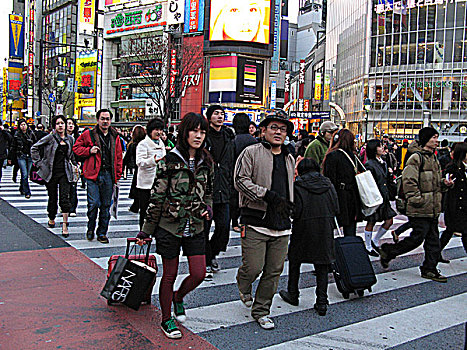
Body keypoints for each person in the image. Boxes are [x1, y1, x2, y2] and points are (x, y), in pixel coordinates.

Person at [137, 113, 213, 339]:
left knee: (199, 273)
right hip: (169, 226)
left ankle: (179, 297)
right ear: (184, 132)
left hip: (196, 225)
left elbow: (209, 192)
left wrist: (208, 209)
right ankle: (166, 318)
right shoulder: (169, 161)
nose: (198, 136)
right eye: (194, 131)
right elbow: (156, 197)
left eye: (202, 132)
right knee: (169, 274)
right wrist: (146, 231)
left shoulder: (206, 161)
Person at [234, 111, 295, 330]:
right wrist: (265, 195)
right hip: (256, 220)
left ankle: (261, 310)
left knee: (273, 270)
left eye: (283, 129)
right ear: (263, 130)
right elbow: (240, 181)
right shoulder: (251, 152)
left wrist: (292, 205)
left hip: (281, 224)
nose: (278, 132)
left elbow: (290, 187)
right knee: (253, 267)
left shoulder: (289, 156)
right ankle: (243, 282)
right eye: (274, 128)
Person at [375, 127, 453, 283]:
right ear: (426, 139)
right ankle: (389, 251)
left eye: (437, 137)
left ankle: (429, 268)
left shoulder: (434, 158)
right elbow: (409, 181)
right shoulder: (416, 158)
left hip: (432, 207)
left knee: (433, 240)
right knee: (417, 238)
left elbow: (434, 182)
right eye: (434, 137)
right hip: (420, 207)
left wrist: (444, 184)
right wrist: (417, 199)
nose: (436, 141)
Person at [279, 158, 339, 316]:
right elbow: (336, 207)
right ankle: (321, 301)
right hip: (325, 226)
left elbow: (295, 210)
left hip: (303, 226)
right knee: (322, 264)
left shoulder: (298, 185)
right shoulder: (328, 184)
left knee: (295, 259)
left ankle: (293, 292)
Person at [73, 109, 123, 244]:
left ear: (110, 121)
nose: (105, 121)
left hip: (108, 174)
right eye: (102, 118)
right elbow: (76, 148)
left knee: (106, 206)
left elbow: (118, 157)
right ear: (98, 120)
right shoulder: (88, 134)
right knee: (93, 203)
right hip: (93, 175)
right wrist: (89, 150)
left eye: (107, 119)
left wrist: (117, 176)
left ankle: (102, 232)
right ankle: (90, 227)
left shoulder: (115, 136)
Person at [31, 115, 76, 237]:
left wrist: (75, 165)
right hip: (51, 172)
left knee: (64, 199)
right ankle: (51, 216)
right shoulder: (50, 138)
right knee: (52, 198)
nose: (60, 126)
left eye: (62, 123)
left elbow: (71, 155)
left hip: (65, 172)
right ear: (54, 126)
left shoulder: (70, 139)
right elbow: (34, 148)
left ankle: (65, 224)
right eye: (58, 123)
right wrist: (39, 163)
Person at [204, 105, 235, 276]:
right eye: (216, 113)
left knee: (223, 228)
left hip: (224, 187)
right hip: (207, 189)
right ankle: (207, 259)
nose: (220, 116)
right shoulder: (204, 137)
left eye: (222, 114)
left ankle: (212, 253)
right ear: (209, 117)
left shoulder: (229, 136)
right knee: (204, 228)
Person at [322, 129, 364, 236]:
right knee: (350, 228)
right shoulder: (353, 156)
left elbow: (329, 178)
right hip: (353, 196)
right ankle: (349, 249)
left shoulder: (333, 155)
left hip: (338, 195)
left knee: (331, 227)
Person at [363, 139, 397, 256]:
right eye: (379, 146)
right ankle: (368, 245)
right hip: (375, 197)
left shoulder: (384, 162)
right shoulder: (369, 164)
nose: (383, 148)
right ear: (373, 149)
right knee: (371, 222)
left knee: (389, 220)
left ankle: (375, 240)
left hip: (384, 196)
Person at [136, 118, 166, 230]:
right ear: (150, 131)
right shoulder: (143, 144)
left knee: (158, 209)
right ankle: (143, 232)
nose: (159, 132)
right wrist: (153, 161)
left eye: (161, 129)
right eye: (156, 129)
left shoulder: (161, 143)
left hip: (160, 183)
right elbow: (139, 162)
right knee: (144, 210)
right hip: (146, 184)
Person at [439, 142, 467, 259]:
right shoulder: (453, 167)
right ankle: (434, 253)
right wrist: (448, 183)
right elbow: (447, 183)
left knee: (451, 231)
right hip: (455, 205)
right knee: (460, 232)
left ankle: (435, 253)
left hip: (463, 205)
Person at [230, 112, 257, 232]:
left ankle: (235, 222)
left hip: (235, 175)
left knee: (235, 199)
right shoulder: (255, 142)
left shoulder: (233, 141)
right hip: (251, 175)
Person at [12, 119, 36, 198]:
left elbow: (36, 144)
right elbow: (13, 147)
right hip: (21, 155)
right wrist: (10, 157)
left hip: (29, 156)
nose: (23, 126)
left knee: (26, 174)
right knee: (24, 174)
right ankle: (27, 191)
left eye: (24, 124)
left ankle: (22, 187)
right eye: (21, 125)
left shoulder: (31, 134)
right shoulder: (17, 135)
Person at [125, 125, 146, 213]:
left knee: (137, 187)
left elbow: (127, 158)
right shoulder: (146, 145)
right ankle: (137, 205)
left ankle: (136, 206)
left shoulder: (132, 145)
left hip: (138, 169)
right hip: (145, 168)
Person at [66, 118, 80, 217]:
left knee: (73, 187)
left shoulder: (78, 138)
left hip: (73, 164)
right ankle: (64, 205)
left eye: (72, 124)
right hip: (62, 165)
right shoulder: (59, 137)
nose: (70, 126)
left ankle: (72, 208)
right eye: (68, 124)